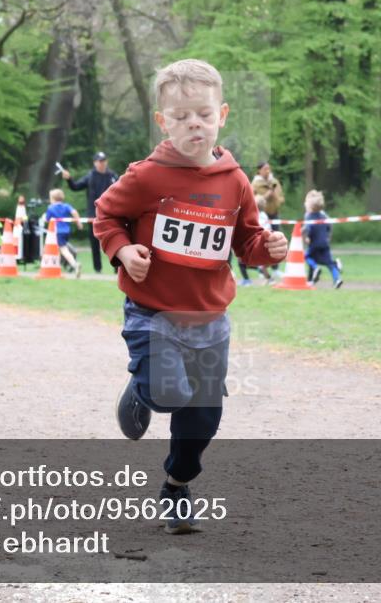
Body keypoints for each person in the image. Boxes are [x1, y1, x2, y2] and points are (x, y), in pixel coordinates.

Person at [94, 58, 288, 534]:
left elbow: (245, 242)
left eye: (202, 113)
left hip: (210, 321)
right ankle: (141, 390)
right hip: (153, 312)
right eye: (180, 117)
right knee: (166, 393)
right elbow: (105, 216)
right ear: (163, 122)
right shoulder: (147, 176)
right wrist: (123, 249)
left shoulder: (235, 181)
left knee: (203, 418)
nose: (193, 124)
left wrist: (269, 249)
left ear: (221, 115)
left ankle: (177, 486)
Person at [62, 151, 118, 273]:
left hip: (111, 214)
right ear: (95, 163)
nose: (102, 163)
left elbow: (121, 190)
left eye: (103, 161)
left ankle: (116, 268)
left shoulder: (112, 176)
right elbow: (75, 187)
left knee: (114, 240)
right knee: (94, 243)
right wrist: (69, 179)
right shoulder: (90, 176)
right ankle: (97, 269)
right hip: (93, 215)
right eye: (99, 161)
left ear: (106, 162)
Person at [302, 190, 343, 289]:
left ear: (309, 205)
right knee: (329, 263)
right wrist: (328, 236)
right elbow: (330, 225)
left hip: (314, 242)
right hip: (325, 242)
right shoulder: (324, 215)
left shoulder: (308, 216)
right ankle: (337, 279)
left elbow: (307, 228)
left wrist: (305, 236)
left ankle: (316, 268)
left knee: (306, 257)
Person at [251, 161, 285, 274]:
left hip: (274, 214)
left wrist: (274, 193)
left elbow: (281, 199)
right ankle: (262, 269)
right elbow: (253, 201)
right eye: (265, 168)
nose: (268, 171)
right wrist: (267, 195)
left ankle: (275, 269)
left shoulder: (274, 182)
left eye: (269, 168)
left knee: (277, 242)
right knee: (264, 243)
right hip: (262, 216)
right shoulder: (255, 184)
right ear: (259, 170)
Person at [236, 194, 273, 286]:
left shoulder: (253, 215)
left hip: (255, 242)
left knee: (241, 261)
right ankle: (269, 278)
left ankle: (246, 280)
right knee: (260, 264)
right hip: (265, 242)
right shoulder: (265, 215)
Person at [45, 189, 82, 277]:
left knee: (63, 250)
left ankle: (74, 264)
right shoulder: (66, 206)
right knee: (59, 249)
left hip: (57, 232)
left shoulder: (51, 208)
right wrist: (78, 223)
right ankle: (58, 265)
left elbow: (47, 219)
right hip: (66, 231)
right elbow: (74, 212)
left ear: (52, 199)